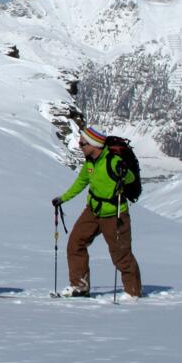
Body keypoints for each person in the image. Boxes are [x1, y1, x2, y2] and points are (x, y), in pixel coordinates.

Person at [52, 127, 142, 298]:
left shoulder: (112, 161)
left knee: (120, 253)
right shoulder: (90, 163)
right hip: (93, 210)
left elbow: (130, 178)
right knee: (75, 243)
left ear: (94, 145)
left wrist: (125, 171)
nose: (79, 146)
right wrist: (62, 198)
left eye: (82, 143)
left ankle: (133, 292)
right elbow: (81, 183)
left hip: (115, 212)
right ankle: (80, 286)